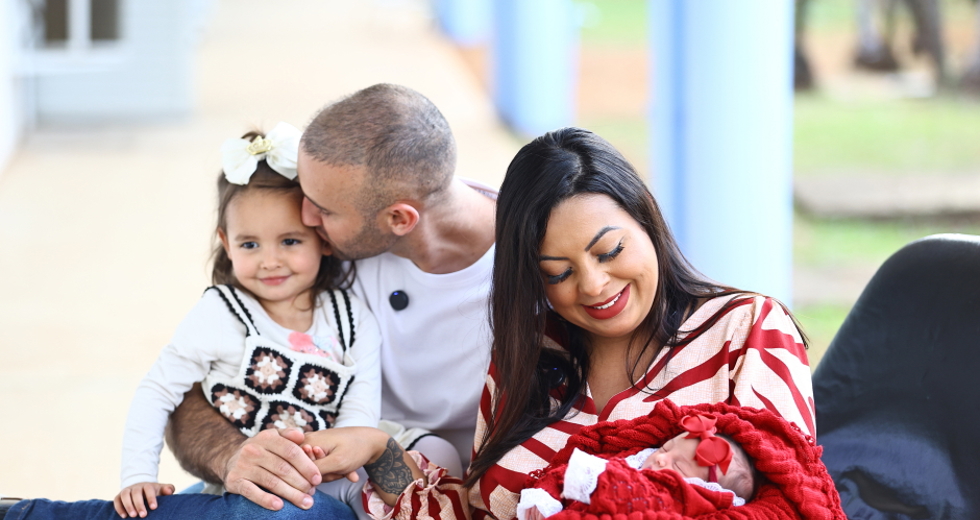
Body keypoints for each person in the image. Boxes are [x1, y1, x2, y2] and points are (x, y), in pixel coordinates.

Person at [296, 127, 825, 520]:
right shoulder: (533, 351)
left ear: (648, 223)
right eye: (558, 273)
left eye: (610, 250)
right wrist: (377, 450)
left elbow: (792, 497)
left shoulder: (746, 328)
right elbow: (477, 513)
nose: (593, 285)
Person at [161, 83, 496, 511]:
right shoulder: (328, 248)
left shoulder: (539, 274)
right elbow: (186, 388)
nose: (304, 218)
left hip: (424, 495)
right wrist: (234, 458)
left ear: (398, 218)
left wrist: (376, 449)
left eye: (323, 209)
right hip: (297, 481)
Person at [516, 405, 759, 520]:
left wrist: (596, 476)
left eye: (678, 466)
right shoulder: (634, 461)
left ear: (705, 490)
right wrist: (544, 498)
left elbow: (630, 494)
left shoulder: (686, 503)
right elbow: (565, 473)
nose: (662, 457)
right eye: (665, 448)